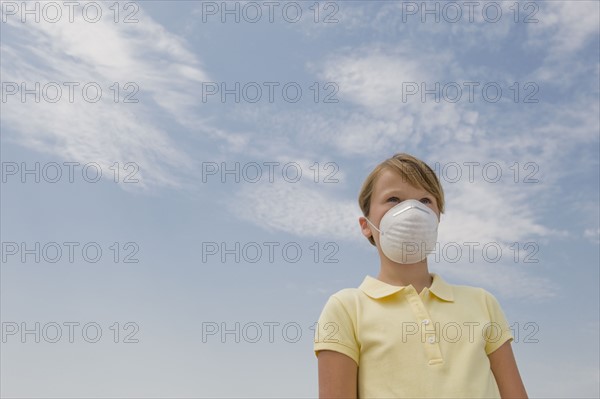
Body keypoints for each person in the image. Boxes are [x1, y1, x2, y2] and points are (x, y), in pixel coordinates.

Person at [313, 153, 528, 398]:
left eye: (425, 201)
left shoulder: (483, 303)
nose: (412, 211)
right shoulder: (346, 308)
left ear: (437, 218)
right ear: (366, 225)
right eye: (394, 199)